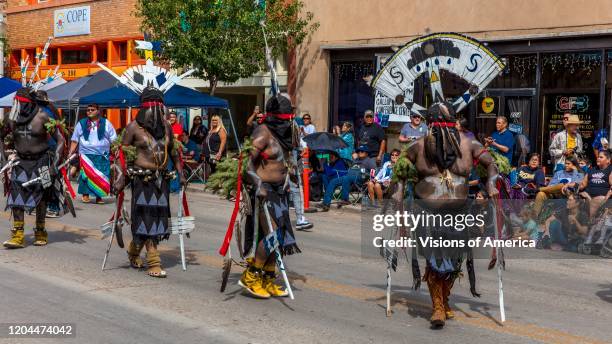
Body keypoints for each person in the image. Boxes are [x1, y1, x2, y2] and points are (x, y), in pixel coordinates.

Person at [393, 101, 499, 328]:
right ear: (430, 127)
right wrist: (399, 191)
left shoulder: (469, 145)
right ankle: (438, 306)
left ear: (453, 126)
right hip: (427, 213)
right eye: (437, 128)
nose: (442, 132)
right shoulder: (418, 147)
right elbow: (400, 170)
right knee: (435, 260)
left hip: (459, 213)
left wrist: (491, 183)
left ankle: (445, 297)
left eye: (447, 127)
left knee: (453, 260)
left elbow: (493, 164)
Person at [112, 86, 185, 278]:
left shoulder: (167, 127)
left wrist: (180, 172)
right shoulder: (133, 128)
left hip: (162, 181)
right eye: (152, 107)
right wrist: (120, 179)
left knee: (157, 220)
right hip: (142, 181)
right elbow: (121, 155)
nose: (157, 111)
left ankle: (134, 251)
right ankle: (154, 262)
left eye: (159, 107)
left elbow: (174, 152)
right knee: (146, 219)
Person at [240, 93, 300, 298]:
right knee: (272, 236)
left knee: (280, 237)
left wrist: (290, 173)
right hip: (264, 191)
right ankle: (251, 276)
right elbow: (246, 165)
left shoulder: (282, 133)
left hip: (281, 190)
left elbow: (282, 160)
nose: (290, 119)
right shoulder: (263, 133)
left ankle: (268, 278)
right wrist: (258, 183)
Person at [1, 86, 67, 248]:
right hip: (20, 162)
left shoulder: (43, 116)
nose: (20, 107)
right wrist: (4, 159)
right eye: (18, 103)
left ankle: (40, 230)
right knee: (16, 199)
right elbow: (1, 137)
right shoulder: (11, 118)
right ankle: (17, 235)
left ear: (30, 103)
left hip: (43, 162)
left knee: (42, 198)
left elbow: (61, 140)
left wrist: (54, 165)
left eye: (23, 103)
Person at [68, 104, 117, 204]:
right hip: (86, 154)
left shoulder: (106, 123)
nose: (89, 111)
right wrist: (70, 153)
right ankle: (85, 195)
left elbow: (113, 139)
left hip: (102, 155)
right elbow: (75, 140)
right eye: (88, 110)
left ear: (98, 111)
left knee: (101, 176)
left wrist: (116, 151)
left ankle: (99, 196)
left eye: (92, 110)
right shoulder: (81, 123)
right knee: (86, 176)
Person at [317, 145, 376, 212]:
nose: (359, 152)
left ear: (367, 153)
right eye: (358, 151)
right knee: (333, 181)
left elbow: (373, 171)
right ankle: (326, 203)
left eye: (362, 151)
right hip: (348, 177)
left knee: (346, 178)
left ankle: (345, 199)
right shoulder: (356, 160)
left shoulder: (369, 161)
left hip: (360, 178)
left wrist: (370, 180)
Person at [574, 150, 612, 219]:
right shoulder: (591, 170)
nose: (598, 159)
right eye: (598, 157)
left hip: (602, 197)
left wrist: (606, 198)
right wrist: (571, 185)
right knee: (572, 196)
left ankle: (590, 222)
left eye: (601, 157)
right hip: (587, 194)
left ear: (608, 160)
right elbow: (583, 185)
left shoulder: (610, 170)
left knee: (595, 200)